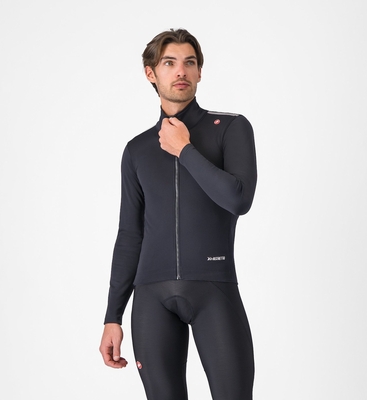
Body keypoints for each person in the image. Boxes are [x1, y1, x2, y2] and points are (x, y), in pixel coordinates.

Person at [99, 28, 257, 400]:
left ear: (200, 71)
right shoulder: (137, 149)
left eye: (189, 62)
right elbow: (130, 234)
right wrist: (112, 316)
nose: (181, 71)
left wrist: (184, 149)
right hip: (150, 298)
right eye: (169, 63)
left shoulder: (230, 128)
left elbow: (238, 199)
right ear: (151, 73)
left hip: (214, 289)